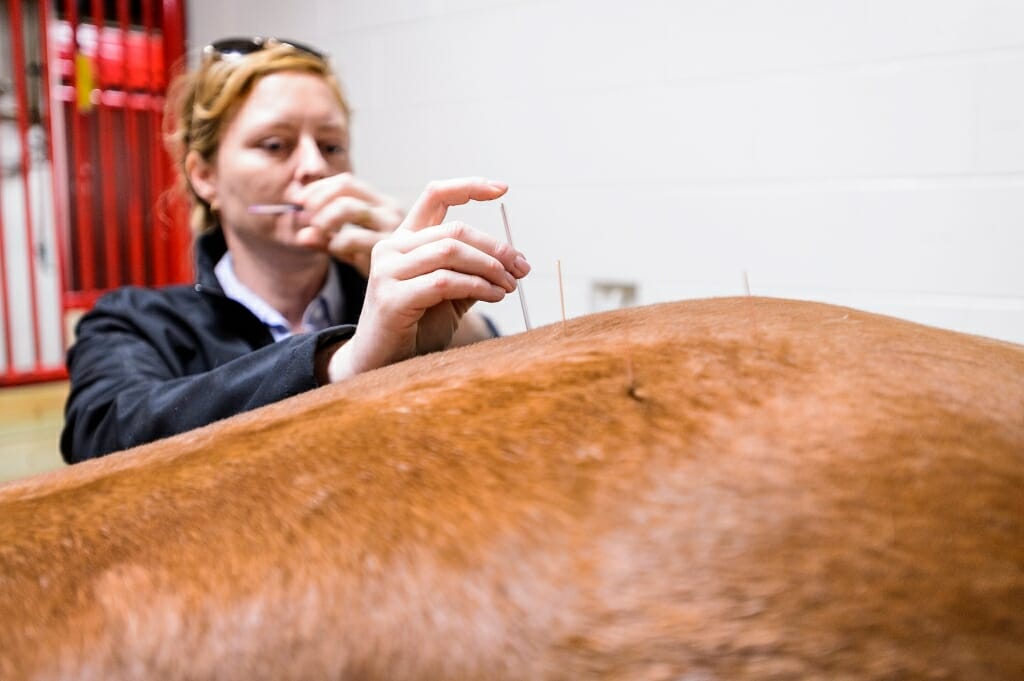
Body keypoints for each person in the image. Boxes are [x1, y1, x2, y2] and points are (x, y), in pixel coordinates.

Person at [60, 37, 530, 463]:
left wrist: (449, 306)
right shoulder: (135, 322)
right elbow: (103, 435)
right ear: (204, 177)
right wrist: (340, 363)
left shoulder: (390, 301)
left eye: (331, 145)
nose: (313, 166)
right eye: (274, 145)